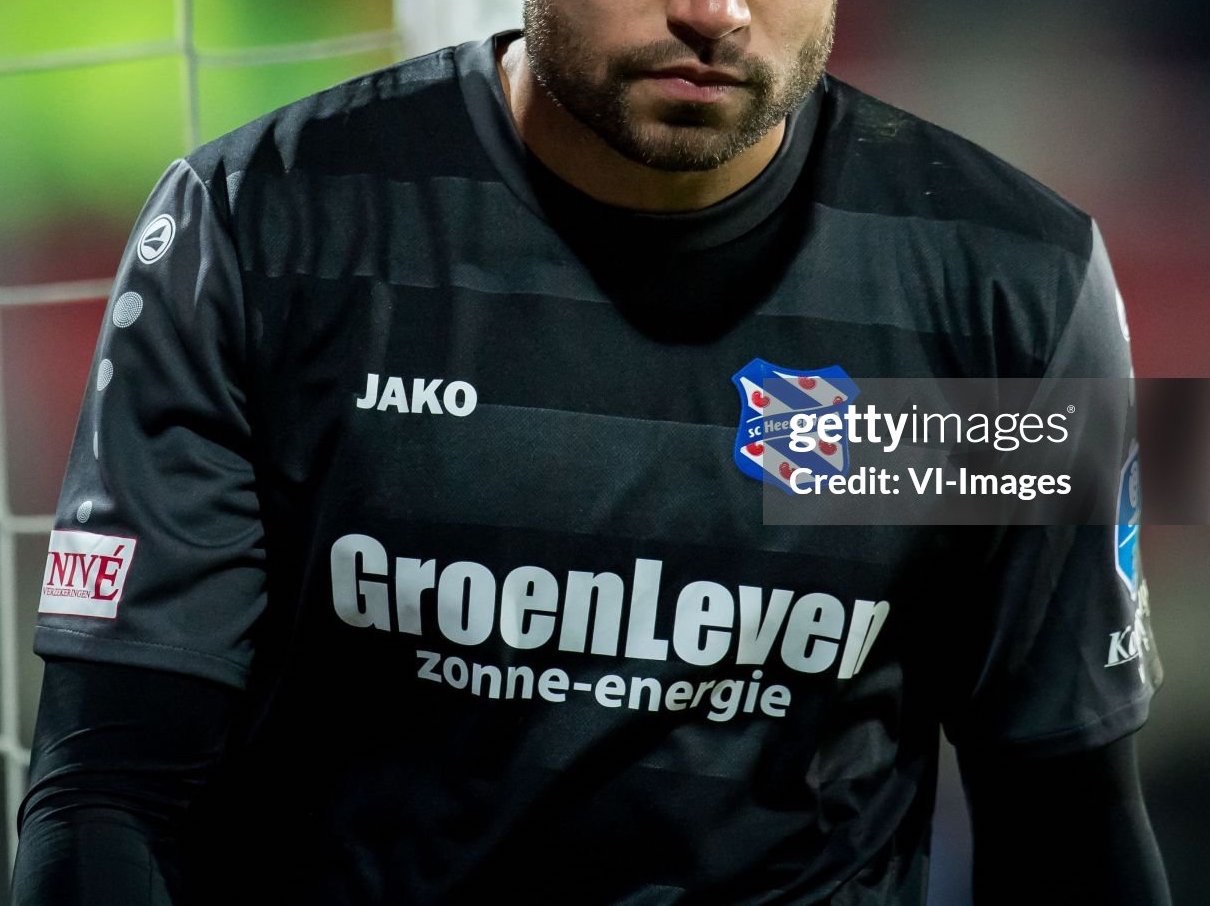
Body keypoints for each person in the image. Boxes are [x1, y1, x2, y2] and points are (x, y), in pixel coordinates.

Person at [12, 1, 1170, 903]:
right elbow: (113, 789)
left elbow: (1059, 807)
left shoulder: (1000, 292)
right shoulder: (262, 230)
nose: (715, 18)